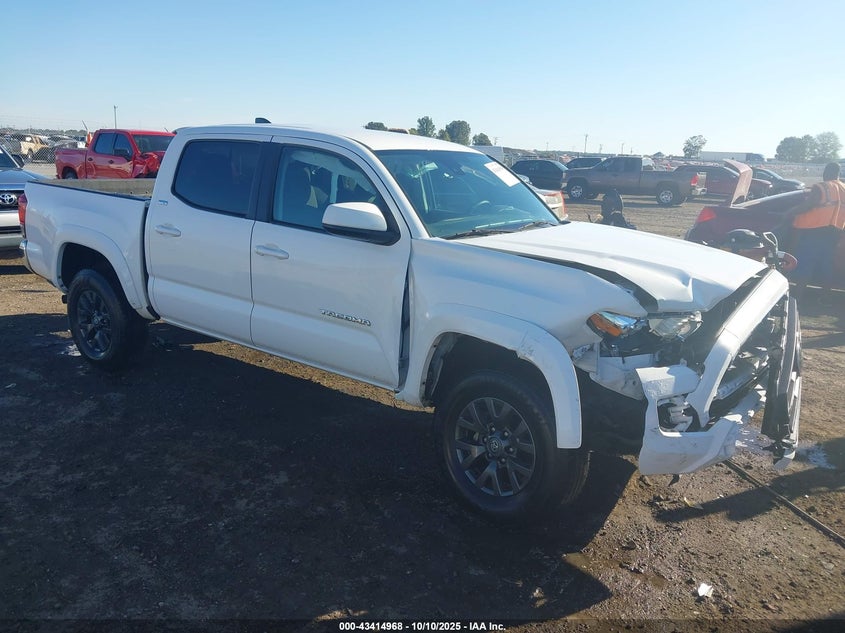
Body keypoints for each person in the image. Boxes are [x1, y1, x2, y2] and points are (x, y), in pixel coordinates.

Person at [789, 162, 845, 300]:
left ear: (826, 172)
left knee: (806, 263)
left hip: (814, 230)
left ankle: (797, 297)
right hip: (834, 232)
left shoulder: (821, 187)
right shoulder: (843, 188)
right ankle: (825, 298)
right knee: (827, 265)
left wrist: (789, 213)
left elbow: (809, 205)